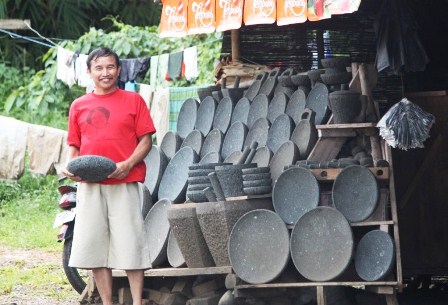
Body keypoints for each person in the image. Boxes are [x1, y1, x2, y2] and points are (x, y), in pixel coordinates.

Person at [63, 47, 156, 305]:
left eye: (111, 67)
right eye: (100, 68)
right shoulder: (78, 105)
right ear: (89, 71)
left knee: (131, 244)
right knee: (95, 246)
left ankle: (136, 302)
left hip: (124, 181)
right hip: (90, 185)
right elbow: (74, 145)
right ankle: (107, 302)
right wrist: (70, 167)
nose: (106, 73)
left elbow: (146, 140)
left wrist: (128, 164)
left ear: (119, 69)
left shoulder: (133, 100)